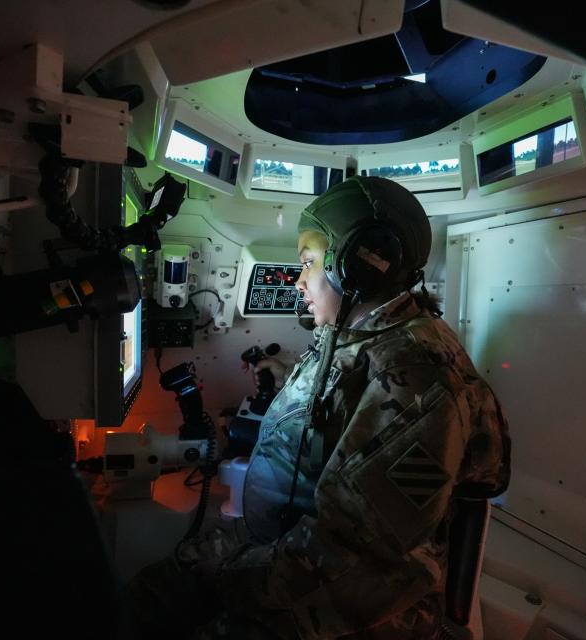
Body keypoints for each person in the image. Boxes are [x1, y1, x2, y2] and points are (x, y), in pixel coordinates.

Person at [122, 176, 511, 639]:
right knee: (154, 590)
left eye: (308, 263)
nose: (300, 280)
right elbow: (344, 405)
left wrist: (228, 580)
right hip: (287, 544)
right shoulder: (361, 333)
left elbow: (349, 559)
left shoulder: (420, 384)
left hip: (343, 598)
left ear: (362, 268)